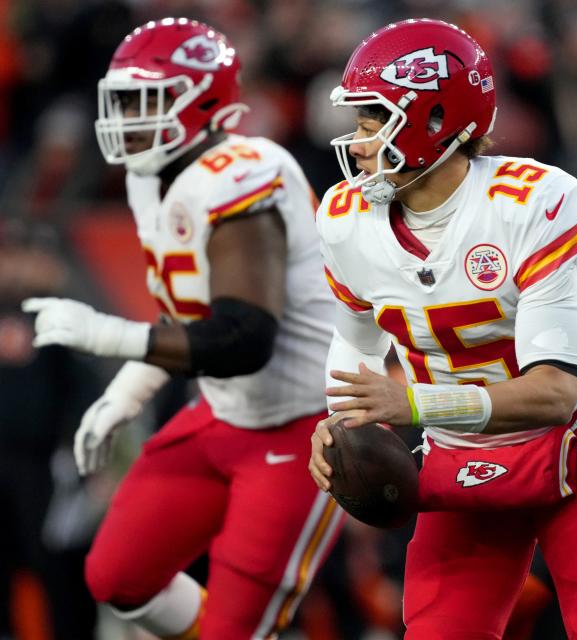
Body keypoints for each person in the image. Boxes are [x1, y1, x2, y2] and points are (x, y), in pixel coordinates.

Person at [307, 18, 577, 640]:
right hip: (461, 457)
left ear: (435, 120)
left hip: (571, 447)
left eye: (373, 121)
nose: (358, 142)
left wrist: (413, 402)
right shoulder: (346, 219)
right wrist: (339, 423)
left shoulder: (530, 202)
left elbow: (555, 391)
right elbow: (355, 344)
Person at [21, 18, 343, 639]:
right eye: (122, 101)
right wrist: (127, 392)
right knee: (117, 576)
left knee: (238, 627)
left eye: (146, 101)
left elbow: (243, 338)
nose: (129, 118)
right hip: (223, 413)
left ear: (206, 101)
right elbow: (190, 317)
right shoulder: (152, 179)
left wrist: (106, 337)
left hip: (302, 427)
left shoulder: (245, 172)